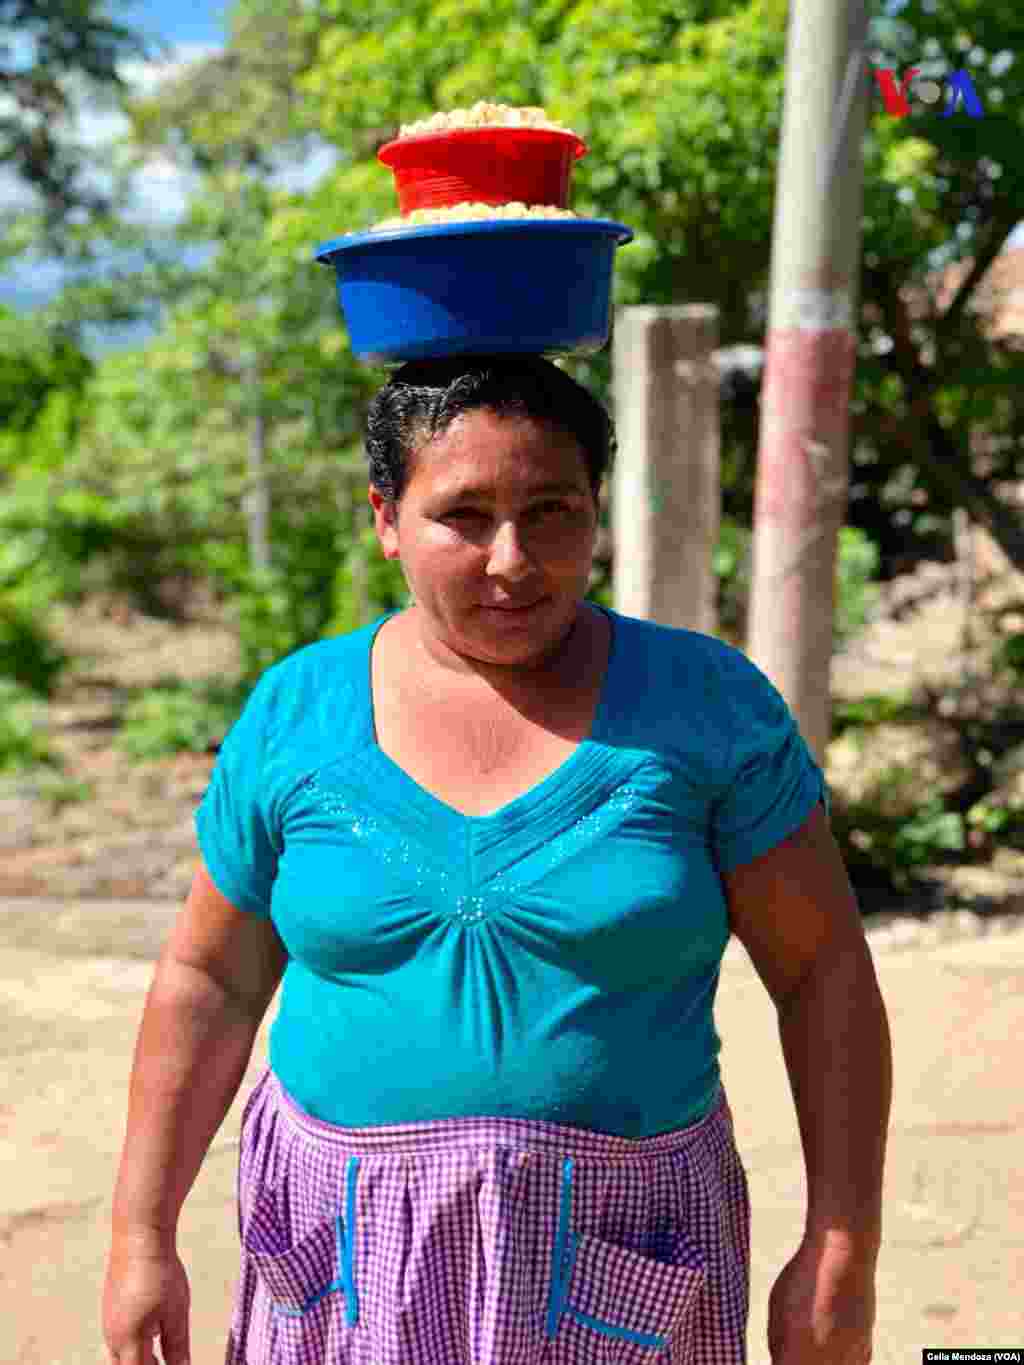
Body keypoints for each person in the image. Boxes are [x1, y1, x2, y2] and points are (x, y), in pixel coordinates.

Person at [103, 354, 892, 1365]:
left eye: (551, 511)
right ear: (387, 518)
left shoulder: (705, 708)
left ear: (597, 514)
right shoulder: (299, 713)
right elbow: (208, 977)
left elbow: (823, 974)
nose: (511, 561)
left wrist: (839, 1250)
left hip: (622, 1258)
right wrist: (139, 1238)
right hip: (346, 1258)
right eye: (463, 516)